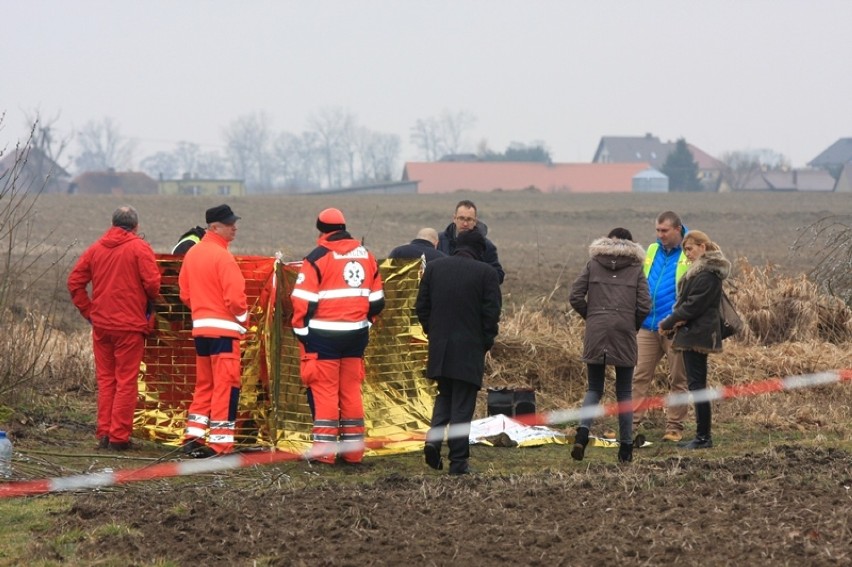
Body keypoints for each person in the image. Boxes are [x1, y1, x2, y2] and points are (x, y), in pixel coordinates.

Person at [291, 208, 385, 465]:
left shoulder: (316, 258)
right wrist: (364, 323)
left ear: (321, 231)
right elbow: (377, 302)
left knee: (325, 393)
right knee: (351, 392)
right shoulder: (367, 256)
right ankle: (354, 452)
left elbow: (302, 304)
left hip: (323, 338)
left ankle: (324, 453)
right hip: (356, 337)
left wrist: (302, 335)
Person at [67, 205, 161, 451]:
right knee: (126, 381)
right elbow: (153, 284)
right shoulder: (140, 248)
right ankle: (119, 437)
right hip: (129, 327)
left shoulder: (95, 249)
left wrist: (89, 312)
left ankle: (104, 434)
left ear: (112, 223)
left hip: (102, 327)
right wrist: (149, 301)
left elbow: (74, 283)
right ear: (136, 226)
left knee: (107, 380)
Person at [416, 227, 502, 475]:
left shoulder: (435, 268)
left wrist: (433, 333)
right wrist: (485, 342)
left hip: (440, 348)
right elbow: (491, 314)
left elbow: (421, 307)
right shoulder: (486, 274)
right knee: (463, 406)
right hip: (469, 350)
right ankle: (458, 461)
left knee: (445, 396)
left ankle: (433, 441)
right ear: (479, 250)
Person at [568, 228, 651, 463]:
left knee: (594, 388)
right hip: (624, 331)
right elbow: (645, 305)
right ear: (631, 244)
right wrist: (630, 323)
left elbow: (575, 296)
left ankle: (582, 434)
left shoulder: (593, 264)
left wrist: (593, 318)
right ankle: (625, 448)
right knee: (624, 391)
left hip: (596, 330)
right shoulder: (636, 269)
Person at [178, 204, 248, 458]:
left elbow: (185, 293)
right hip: (225, 333)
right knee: (225, 386)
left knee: (204, 385)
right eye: (230, 224)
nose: (235, 227)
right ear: (215, 227)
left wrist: (202, 310)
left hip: (201, 331)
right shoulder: (223, 257)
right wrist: (243, 320)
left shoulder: (193, 254)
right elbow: (236, 300)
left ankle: (193, 436)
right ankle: (220, 443)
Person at [659, 230, 730, 450]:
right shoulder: (703, 272)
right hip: (693, 331)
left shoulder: (708, 274)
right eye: (685, 249)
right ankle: (701, 435)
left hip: (698, 334)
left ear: (703, 247)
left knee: (698, 386)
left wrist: (669, 322)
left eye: (690, 248)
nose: (687, 253)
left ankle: (703, 437)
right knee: (695, 385)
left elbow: (693, 305)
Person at [633, 211, 690, 442]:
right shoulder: (652, 250)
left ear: (678, 229)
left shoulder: (691, 251)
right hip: (647, 325)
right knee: (638, 375)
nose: (660, 235)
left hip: (676, 327)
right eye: (657, 230)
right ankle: (630, 425)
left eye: (664, 231)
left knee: (678, 379)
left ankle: (674, 427)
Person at [437, 199, 505, 284]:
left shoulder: (486, 246)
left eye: (469, 219)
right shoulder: (439, 241)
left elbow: (498, 276)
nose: (465, 224)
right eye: (461, 218)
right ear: (454, 218)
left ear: (475, 221)